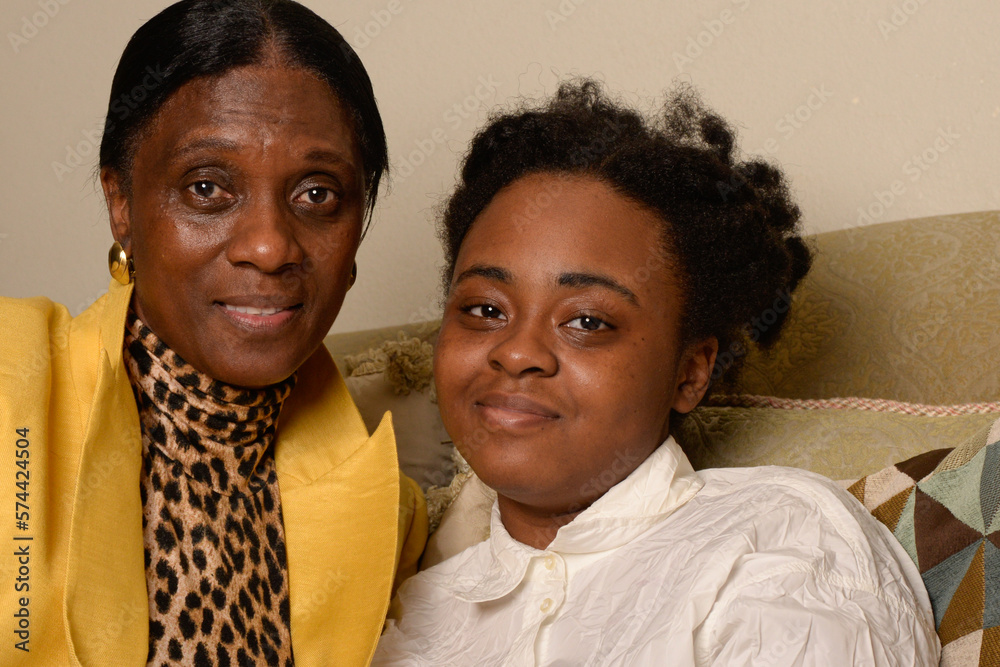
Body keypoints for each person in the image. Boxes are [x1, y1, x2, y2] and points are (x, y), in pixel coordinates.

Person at [373, 81, 940, 665]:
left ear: (690, 373)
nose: (517, 353)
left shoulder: (779, 540)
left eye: (587, 321)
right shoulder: (405, 615)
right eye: (485, 309)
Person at [0, 1, 426, 665]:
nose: (268, 246)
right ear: (121, 204)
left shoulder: (391, 517)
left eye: (318, 194)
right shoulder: (12, 383)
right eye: (206, 187)